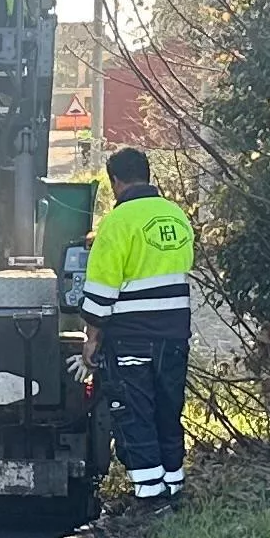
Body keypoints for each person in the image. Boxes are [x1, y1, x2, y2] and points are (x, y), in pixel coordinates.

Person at [79, 143, 196, 506]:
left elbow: (101, 291)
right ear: (147, 175)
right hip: (174, 335)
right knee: (168, 408)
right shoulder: (176, 215)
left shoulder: (117, 223)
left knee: (136, 412)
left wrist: (91, 340)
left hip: (132, 339)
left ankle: (149, 496)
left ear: (115, 182)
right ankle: (174, 486)